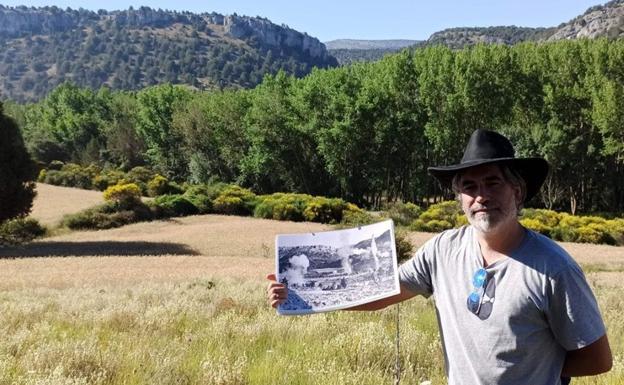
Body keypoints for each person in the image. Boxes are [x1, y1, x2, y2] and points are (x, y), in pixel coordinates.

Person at [267, 129, 613, 385]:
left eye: (493, 183)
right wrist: (304, 293)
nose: (481, 197)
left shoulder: (554, 269)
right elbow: (382, 291)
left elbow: (597, 359)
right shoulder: (442, 250)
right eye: (470, 187)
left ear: (517, 191)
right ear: (459, 197)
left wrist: (535, 370)